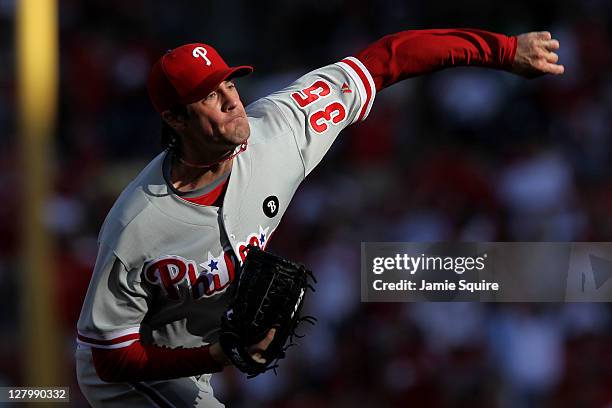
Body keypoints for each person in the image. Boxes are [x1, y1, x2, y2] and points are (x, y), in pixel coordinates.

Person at [75, 28, 563, 407]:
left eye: (228, 82)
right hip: (132, 375)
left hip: (196, 355)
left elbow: (386, 59)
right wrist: (217, 356)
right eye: (208, 95)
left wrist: (500, 50)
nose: (230, 98)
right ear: (176, 120)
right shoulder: (135, 226)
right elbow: (111, 357)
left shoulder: (281, 131)